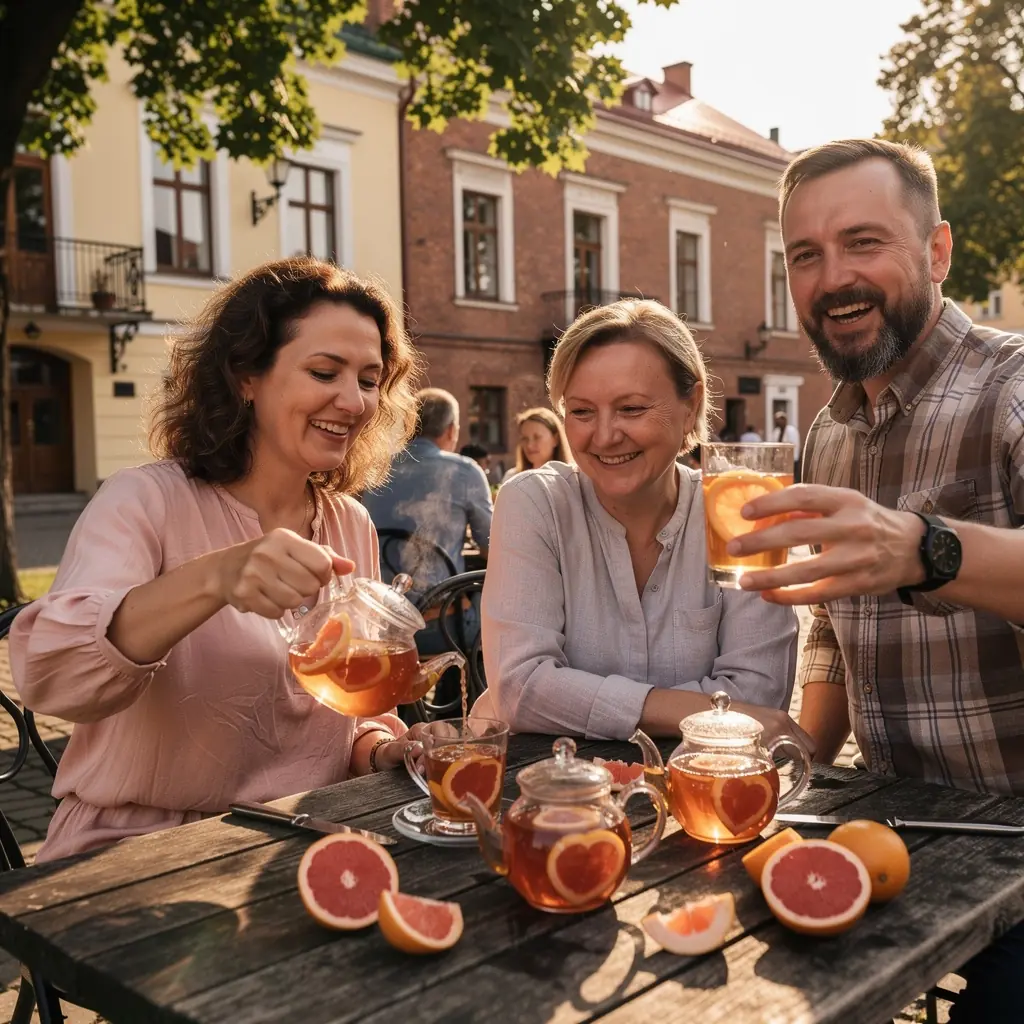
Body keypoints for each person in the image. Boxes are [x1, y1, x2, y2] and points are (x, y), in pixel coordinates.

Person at [727, 138, 1024, 1022]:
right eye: (805, 256)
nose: (833, 278)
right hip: (893, 839)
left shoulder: (1009, 387)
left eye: (863, 242)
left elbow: (906, 555)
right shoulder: (830, 433)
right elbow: (830, 632)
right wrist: (794, 767)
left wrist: (930, 549)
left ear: (936, 251)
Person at [8, 257, 429, 863]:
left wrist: (384, 747)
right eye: (324, 371)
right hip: (136, 853)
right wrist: (216, 577)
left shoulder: (348, 522)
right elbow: (53, 676)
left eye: (369, 379)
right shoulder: (145, 500)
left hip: (295, 844)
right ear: (244, 377)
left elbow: (350, 707)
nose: (355, 401)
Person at [475, 299, 809, 748]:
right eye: (581, 411)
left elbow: (759, 693)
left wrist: (574, 699)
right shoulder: (535, 502)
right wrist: (701, 711)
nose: (605, 435)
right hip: (545, 795)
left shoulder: (740, 508)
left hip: (699, 794)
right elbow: (521, 689)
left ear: (690, 407)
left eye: (631, 409)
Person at [362, 387, 492, 594]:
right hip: (438, 613)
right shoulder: (465, 471)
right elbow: (490, 546)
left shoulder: (376, 468)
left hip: (380, 605)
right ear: (451, 430)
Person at [499, 406, 570, 486]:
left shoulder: (571, 479)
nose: (529, 445)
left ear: (555, 439)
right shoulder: (512, 478)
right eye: (525, 438)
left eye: (537, 437)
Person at [772, 411, 801, 480]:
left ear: (784, 420)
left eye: (779, 420)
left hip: (791, 459)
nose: (777, 422)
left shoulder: (792, 430)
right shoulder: (776, 431)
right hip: (780, 460)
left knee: (791, 477)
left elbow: (792, 445)